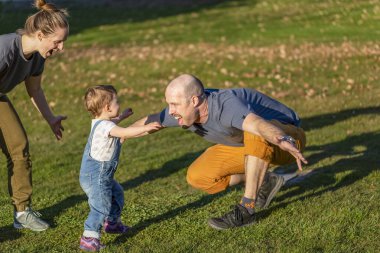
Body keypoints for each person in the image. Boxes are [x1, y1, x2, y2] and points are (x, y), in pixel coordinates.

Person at [131, 74, 308, 230]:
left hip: (287, 139)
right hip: (251, 146)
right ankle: (265, 180)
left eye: (174, 104)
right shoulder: (182, 111)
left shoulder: (226, 105)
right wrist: (116, 133)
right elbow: (153, 120)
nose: (171, 111)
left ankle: (247, 209)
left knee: (254, 132)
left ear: (194, 101)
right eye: (169, 104)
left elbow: (257, 124)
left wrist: (283, 139)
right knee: (198, 176)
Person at [0, 0, 69, 231]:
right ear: (40, 35)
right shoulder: (5, 48)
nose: (61, 48)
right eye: (57, 42)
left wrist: (50, 119)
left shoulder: (38, 56)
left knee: (19, 148)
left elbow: (35, 90)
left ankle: (22, 213)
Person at [79, 85, 161, 252]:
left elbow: (114, 124)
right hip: (97, 176)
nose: (119, 104)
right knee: (100, 206)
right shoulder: (106, 127)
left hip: (100, 175)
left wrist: (122, 116)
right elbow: (124, 132)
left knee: (117, 194)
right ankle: (89, 238)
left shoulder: (101, 123)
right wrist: (145, 128)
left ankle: (112, 224)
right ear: (108, 108)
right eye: (117, 102)